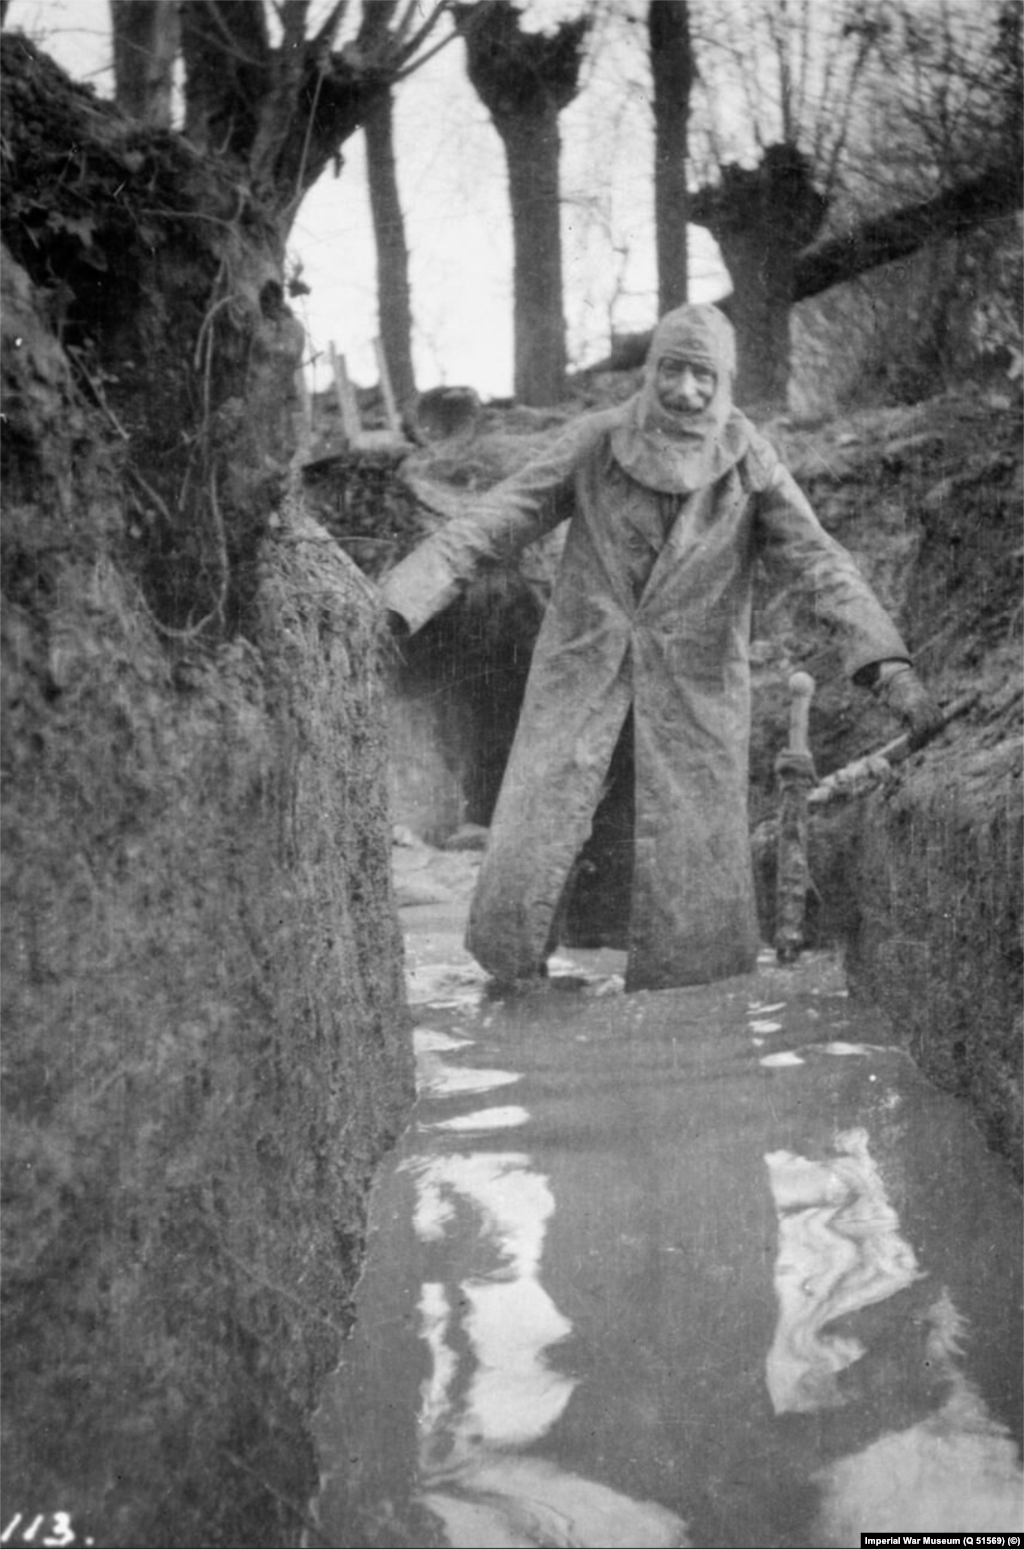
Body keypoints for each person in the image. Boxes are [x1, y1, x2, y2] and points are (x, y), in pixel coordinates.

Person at [382, 304, 937, 993]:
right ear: (649, 373)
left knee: (686, 908)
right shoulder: (595, 441)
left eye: (703, 376)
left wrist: (887, 667)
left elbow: (821, 564)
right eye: (671, 370)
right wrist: (402, 602)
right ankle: (524, 991)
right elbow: (495, 520)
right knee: (541, 847)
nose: (685, 392)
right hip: (582, 682)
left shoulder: (748, 460)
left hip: (692, 702)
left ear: (724, 383)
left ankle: (676, 1019)